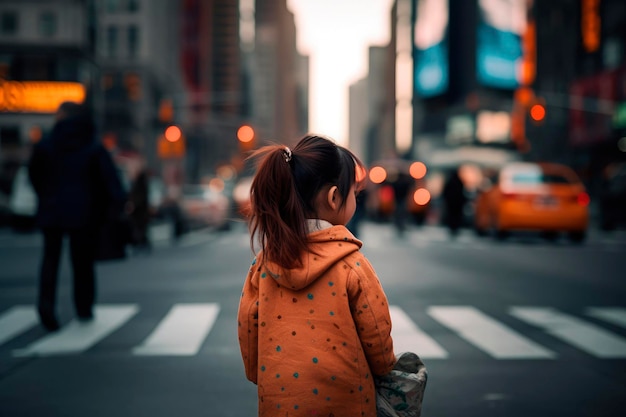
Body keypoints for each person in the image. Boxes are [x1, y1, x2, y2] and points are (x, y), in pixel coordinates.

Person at [237, 135, 396, 416]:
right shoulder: (352, 265)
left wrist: (264, 373)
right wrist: (386, 369)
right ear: (334, 198)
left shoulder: (262, 267)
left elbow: (250, 338)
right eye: (354, 195)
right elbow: (378, 339)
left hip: (280, 405)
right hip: (348, 405)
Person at [28, 101, 127, 331]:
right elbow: (108, 180)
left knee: (50, 261)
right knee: (82, 262)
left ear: (62, 116)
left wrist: (46, 196)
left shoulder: (46, 144)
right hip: (84, 213)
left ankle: (46, 307)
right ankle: (84, 307)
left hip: (52, 209)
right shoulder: (92, 145)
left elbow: (34, 175)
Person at [441, 167, 467, 237]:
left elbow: (445, 192)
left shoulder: (450, 182)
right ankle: (455, 227)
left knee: (452, 215)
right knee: (456, 216)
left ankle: (452, 227)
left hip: (452, 203)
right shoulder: (460, 182)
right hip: (457, 203)